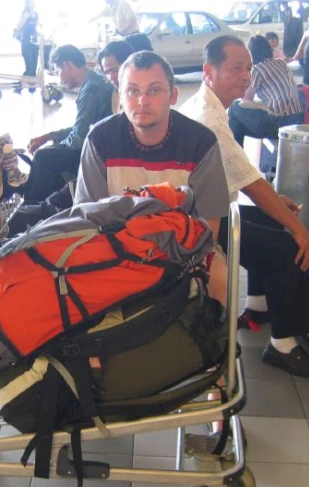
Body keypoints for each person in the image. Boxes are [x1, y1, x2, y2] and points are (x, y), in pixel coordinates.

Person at [181, 35, 309, 380]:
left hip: (211, 211)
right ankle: (283, 346)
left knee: (274, 219)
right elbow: (249, 183)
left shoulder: (215, 106)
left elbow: (239, 167)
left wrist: (276, 202)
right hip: (203, 226)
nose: (245, 76)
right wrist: (301, 232)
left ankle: (258, 308)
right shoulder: (208, 117)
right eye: (236, 68)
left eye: (248, 68)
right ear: (208, 71)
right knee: (288, 245)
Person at [75, 51, 230, 306]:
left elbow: (209, 226)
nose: (142, 101)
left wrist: (166, 262)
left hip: (184, 251)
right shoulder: (100, 140)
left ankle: (212, 341)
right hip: (116, 247)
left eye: (154, 90)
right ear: (121, 98)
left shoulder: (200, 142)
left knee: (218, 276)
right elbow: (87, 217)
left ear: (174, 95)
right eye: (133, 91)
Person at [23, 45, 114, 203]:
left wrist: (55, 144)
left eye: (58, 71)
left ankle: (31, 209)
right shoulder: (93, 80)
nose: (60, 79)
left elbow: (78, 139)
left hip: (100, 153)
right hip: (102, 143)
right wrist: (49, 137)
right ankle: (32, 202)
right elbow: (81, 128)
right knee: (49, 154)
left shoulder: (90, 90)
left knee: (43, 157)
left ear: (67, 66)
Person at [228, 35, 304, 146]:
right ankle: (236, 153)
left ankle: (235, 155)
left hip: (278, 124)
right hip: (296, 120)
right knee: (239, 123)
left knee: (235, 106)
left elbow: (246, 100)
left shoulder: (257, 69)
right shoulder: (281, 63)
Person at [97, 40, 135, 112]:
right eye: (107, 72)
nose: (111, 77)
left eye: (115, 70)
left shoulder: (142, 93)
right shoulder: (116, 93)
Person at [14, 0, 39, 77]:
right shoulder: (25, 14)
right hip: (26, 43)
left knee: (34, 70)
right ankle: (19, 86)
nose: (32, 3)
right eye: (30, 2)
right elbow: (18, 27)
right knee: (30, 68)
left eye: (33, 2)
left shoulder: (36, 14)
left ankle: (32, 87)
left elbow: (36, 27)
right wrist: (24, 18)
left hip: (35, 43)